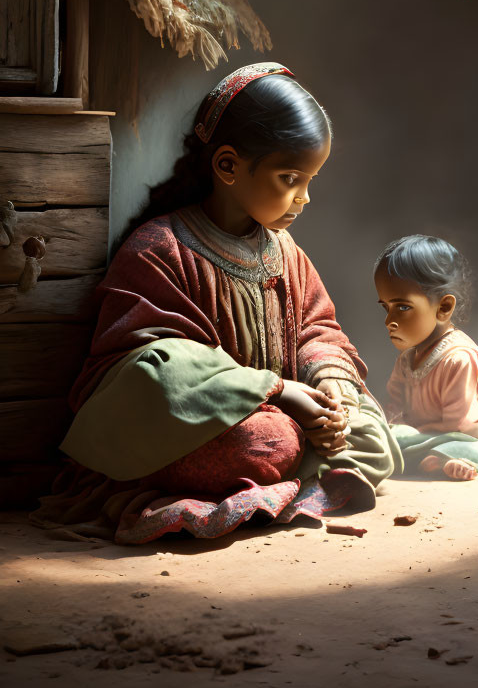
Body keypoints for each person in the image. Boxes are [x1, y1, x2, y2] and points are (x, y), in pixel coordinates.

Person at [33, 62, 402, 543]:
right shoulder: (159, 247)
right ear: (227, 166)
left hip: (291, 414)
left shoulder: (284, 251)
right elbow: (147, 371)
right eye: (290, 178)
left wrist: (330, 390)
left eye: (310, 180)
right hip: (208, 429)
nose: (304, 198)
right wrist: (276, 390)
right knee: (266, 442)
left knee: (369, 431)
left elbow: (318, 329)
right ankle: (291, 465)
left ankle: (302, 447)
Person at [375, 235, 478, 481]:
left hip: (470, 436)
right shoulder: (408, 358)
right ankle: (425, 456)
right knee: (385, 435)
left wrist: (414, 435)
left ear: (443, 308)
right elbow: (394, 407)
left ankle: (442, 459)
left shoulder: (459, 359)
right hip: (423, 435)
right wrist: (390, 429)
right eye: (386, 308)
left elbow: (464, 427)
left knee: (472, 448)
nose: (389, 321)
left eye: (403, 307)